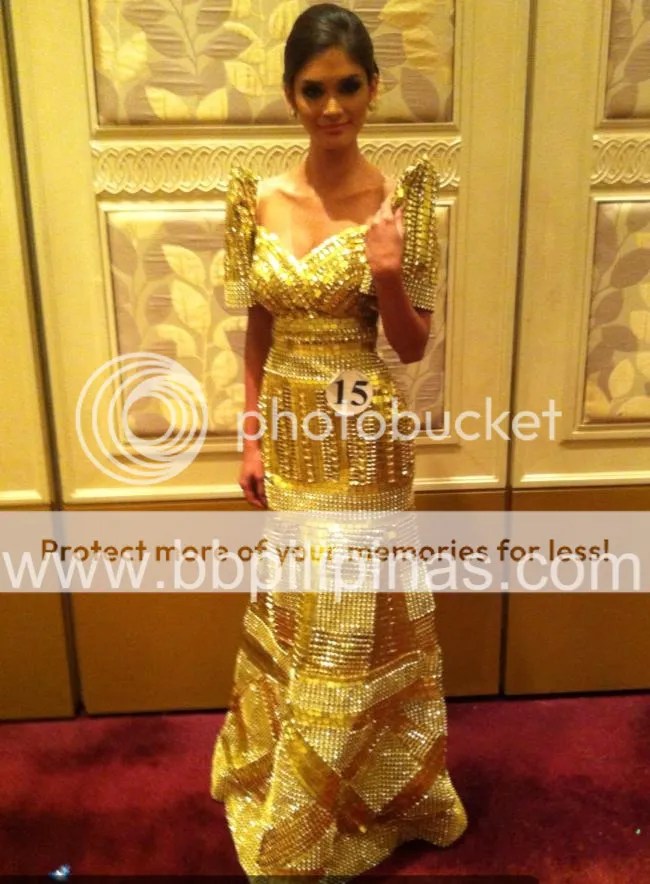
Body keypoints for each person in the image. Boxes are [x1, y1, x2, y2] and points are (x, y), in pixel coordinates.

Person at [210, 4, 468, 879]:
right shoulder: (259, 200)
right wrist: (250, 438)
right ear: (291, 95)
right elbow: (256, 327)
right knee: (303, 614)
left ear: (373, 88)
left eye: (348, 86)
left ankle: (354, 803)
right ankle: (297, 784)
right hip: (290, 438)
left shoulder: (404, 204)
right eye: (314, 89)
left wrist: (389, 272)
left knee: (350, 626)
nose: (332, 107)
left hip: (364, 444)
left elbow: (412, 346)